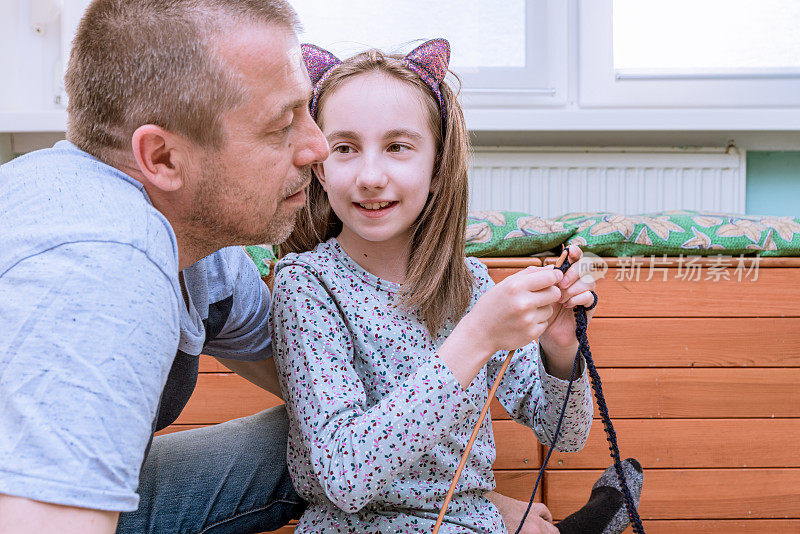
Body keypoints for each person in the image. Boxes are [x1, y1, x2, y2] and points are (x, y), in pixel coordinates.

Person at [270, 39, 642, 534]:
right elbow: (345, 477)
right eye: (345, 148)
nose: (371, 175)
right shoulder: (307, 286)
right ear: (319, 165)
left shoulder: (469, 285)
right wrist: (477, 337)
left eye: (398, 147)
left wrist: (560, 353)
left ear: (438, 168)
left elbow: (566, 435)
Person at [0, 1, 331, 533]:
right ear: (163, 158)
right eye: (280, 126)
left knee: (327, 442)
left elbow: (328, 381)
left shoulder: (198, 245)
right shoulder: (105, 268)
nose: (317, 147)